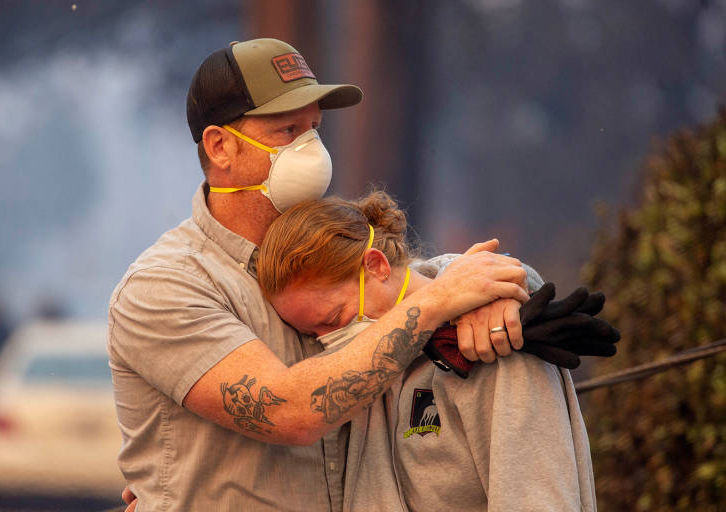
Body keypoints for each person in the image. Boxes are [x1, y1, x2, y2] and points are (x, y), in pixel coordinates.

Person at [108, 38, 531, 511]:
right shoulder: (164, 287)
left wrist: (485, 290)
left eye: (315, 128)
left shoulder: (320, 251)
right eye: (287, 129)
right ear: (220, 146)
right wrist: (436, 304)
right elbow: (289, 411)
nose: (310, 148)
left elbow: (406, 278)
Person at [256, 191, 599, 511]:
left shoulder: (494, 339)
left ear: (376, 266)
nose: (330, 342)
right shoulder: (363, 379)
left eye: (334, 319)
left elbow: (537, 497)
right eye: (312, 335)